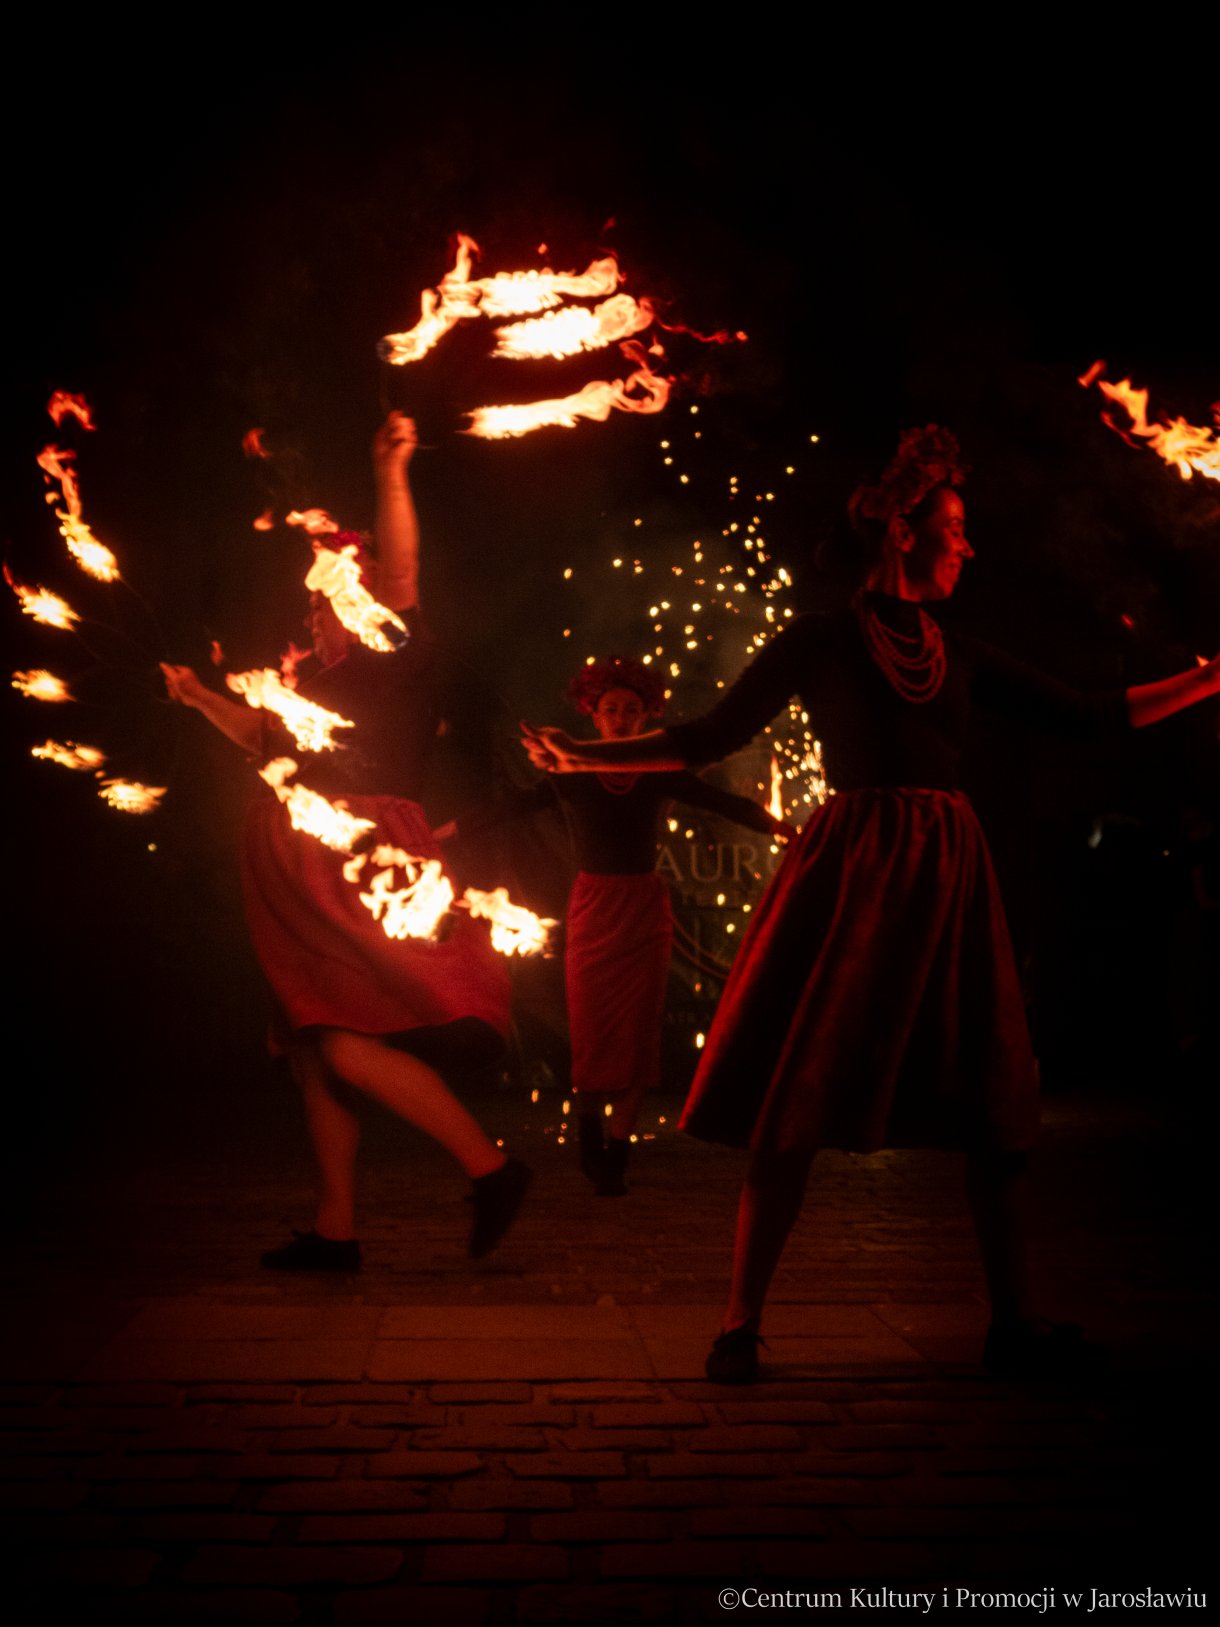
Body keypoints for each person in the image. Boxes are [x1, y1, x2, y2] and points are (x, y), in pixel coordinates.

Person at [522, 425, 1220, 1379]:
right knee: (796, 1095)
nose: (968, 545)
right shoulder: (820, 640)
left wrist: (1210, 679)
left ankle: (1014, 1322)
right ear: (901, 533)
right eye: (955, 526)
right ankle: (739, 1323)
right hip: (851, 873)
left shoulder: (959, 650)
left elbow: (1093, 716)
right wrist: (586, 754)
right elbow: (707, 736)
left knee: (996, 1095)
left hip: (947, 875)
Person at [162, 412, 530, 1268]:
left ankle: (490, 1167)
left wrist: (391, 469)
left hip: (357, 858)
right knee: (310, 1046)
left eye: (333, 594)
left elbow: (398, 571)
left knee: (334, 1033)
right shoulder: (310, 686)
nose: (320, 608)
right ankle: (336, 1228)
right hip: (302, 866)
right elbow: (264, 742)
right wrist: (196, 697)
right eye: (319, 599)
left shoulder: (387, 655)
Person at [452, 657, 791, 1194]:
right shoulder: (571, 776)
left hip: (643, 908)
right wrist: (445, 832)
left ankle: (616, 1149)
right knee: (591, 1025)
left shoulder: (658, 772)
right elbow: (512, 806)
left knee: (638, 1031)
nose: (621, 718)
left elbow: (720, 802)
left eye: (632, 710)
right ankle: (589, 1132)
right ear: (593, 714)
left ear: (647, 715)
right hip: (593, 906)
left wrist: (780, 827)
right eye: (611, 709)